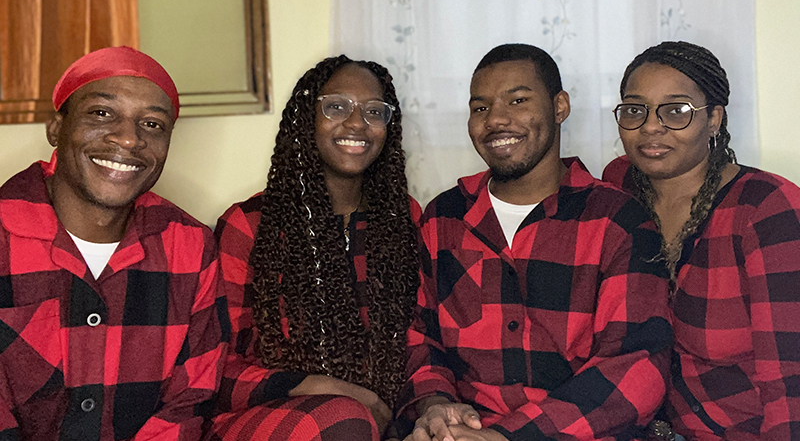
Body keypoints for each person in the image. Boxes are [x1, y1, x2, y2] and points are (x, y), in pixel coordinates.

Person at [395, 43, 673, 441]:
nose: (496, 120)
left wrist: (508, 437)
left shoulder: (617, 220)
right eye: (480, 108)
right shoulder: (444, 218)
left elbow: (636, 368)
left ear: (560, 106)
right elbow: (418, 335)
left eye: (518, 100)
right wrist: (435, 403)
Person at [0, 47, 226, 439]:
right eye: (102, 113)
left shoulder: (191, 245)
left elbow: (191, 399)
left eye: (153, 124)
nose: (128, 139)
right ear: (56, 129)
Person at [209, 55, 421, 440]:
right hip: (269, 419)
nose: (357, 123)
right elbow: (217, 367)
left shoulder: (404, 220)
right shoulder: (250, 226)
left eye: (375, 111)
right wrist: (327, 388)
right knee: (346, 419)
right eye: (337, 106)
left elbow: (419, 343)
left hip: (383, 420)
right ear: (308, 117)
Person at [604, 41, 800, 440]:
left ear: (714, 118)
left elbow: (791, 379)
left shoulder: (765, 207)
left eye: (676, 111)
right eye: (634, 110)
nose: (651, 126)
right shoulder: (619, 187)